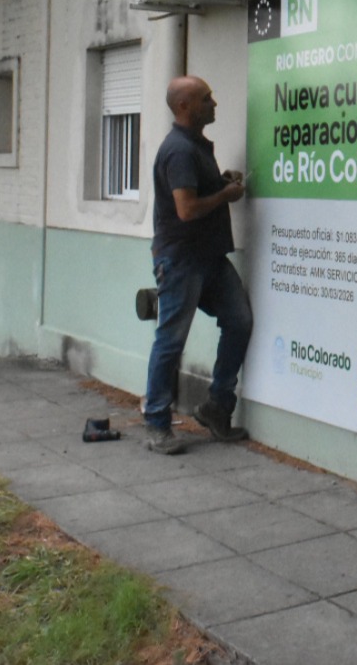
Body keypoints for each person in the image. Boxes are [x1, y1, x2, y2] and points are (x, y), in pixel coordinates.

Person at [143, 75, 253, 454]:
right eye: (207, 99)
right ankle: (157, 424)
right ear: (185, 107)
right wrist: (225, 195)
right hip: (181, 261)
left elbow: (195, 192)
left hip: (210, 258)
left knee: (239, 320)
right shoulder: (178, 150)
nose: (215, 104)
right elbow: (186, 209)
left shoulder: (195, 147)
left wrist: (220, 183)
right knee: (171, 342)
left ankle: (216, 407)